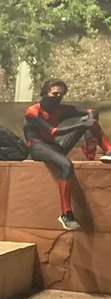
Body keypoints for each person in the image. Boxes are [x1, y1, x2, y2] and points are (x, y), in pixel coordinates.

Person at [24, 78, 111, 231]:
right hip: (38, 147)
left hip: (54, 146)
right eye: (54, 94)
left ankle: (108, 150)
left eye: (61, 95)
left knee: (88, 120)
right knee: (66, 165)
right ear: (45, 93)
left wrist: (89, 125)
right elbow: (53, 131)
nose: (57, 98)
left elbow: (91, 112)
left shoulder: (61, 109)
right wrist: (82, 125)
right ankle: (66, 214)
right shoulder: (33, 111)